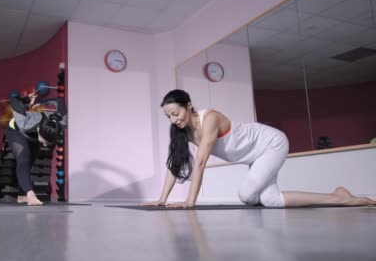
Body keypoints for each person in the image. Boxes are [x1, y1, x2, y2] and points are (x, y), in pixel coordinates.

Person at [144, 89, 376, 208]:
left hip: (270, 143)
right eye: (168, 116)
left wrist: (190, 202)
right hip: (254, 156)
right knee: (271, 201)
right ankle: (339, 197)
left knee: (246, 195)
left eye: (176, 113)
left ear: (189, 106)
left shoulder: (210, 118)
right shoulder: (182, 131)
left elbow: (202, 161)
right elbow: (174, 164)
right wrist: (162, 199)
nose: (173, 119)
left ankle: (342, 199)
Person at [6, 92, 67, 206]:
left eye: (48, 143)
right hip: (17, 131)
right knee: (23, 160)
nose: (45, 146)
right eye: (44, 141)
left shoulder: (61, 123)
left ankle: (21, 196)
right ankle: (29, 194)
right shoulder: (26, 123)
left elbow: (60, 101)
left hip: (33, 137)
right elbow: (13, 100)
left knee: (30, 164)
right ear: (38, 130)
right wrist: (26, 100)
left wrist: (41, 101)